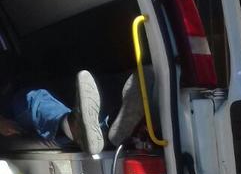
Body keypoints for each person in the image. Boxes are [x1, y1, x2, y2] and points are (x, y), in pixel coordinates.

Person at [0, 68, 148, 156]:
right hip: (9, 110)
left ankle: (112, 128)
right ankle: (75, 128)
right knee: (31, 98)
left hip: (17, 89)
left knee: (78, 92)